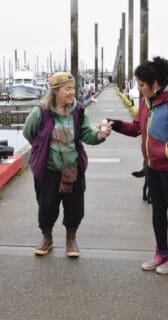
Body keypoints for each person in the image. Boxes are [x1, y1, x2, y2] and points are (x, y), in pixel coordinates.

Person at [108, 57, 168, 274]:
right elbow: (135, 128)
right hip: (152, 165)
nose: (140, 89)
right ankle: (161, 252)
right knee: (158, 211)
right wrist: (114, 124)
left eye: (142, 85)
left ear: (155, 82)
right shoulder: (146, 102)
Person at [23, 72, 112, 257]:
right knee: (47, 206)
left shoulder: (79, 111)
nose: (72, 92)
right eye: (67, 88)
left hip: (73, 168)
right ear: (55, 91)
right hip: (49, 169)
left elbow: (87, 135)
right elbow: (28, 133)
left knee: (74, 207)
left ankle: (71, 239)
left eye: (73, 88)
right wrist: (42, 149)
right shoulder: (40, 112)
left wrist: (100, 136)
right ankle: (47, 238)